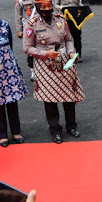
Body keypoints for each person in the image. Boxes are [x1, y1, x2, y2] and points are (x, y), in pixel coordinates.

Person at [23, 0, 85, 144]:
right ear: (37, 7)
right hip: (45, 64)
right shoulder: (32, 24)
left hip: (64, 61)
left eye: (49, 6)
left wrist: (71, 53)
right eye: (43, 7)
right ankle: (55, 130)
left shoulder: (61, 19)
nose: (47, 9)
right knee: (50, 99)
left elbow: (68, 40)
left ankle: (72, 126)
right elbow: (27, 48)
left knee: (69, 95)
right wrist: (45, 54)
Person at [0, 19, 29, 148]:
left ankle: (16, 132)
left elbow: (10, 46)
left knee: (12, 101)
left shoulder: (5, 25)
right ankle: (2, 135)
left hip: (7, 69)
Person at [15, 0, 35, 81]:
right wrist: (19, 29)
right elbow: (18, 15)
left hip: (40, 25)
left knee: (42, 47)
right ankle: (33, 71)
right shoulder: (20, 1)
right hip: (28, 28)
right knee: (30, 49)